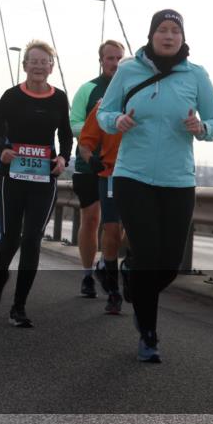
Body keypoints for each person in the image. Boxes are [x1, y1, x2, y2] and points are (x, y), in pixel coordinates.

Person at [98, 9, 213, 363]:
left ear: (182, 38)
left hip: (177, 179)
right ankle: (149, 335)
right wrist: (117, 120)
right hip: (132, 176)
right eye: (162, 30)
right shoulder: (128, 71)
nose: (169, 36)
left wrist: (202, 129)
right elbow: (104, 114)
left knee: (168, 264)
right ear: (152, 35)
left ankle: (132, 279)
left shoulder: (196, 75)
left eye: (175, 31)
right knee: (149, 256)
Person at [0, 40, 73, 328]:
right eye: (32, 61)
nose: (38, 66)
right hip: (13, 177)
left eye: (43, 61)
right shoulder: (11, 97)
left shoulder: (59, 98)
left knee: (32, 239)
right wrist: (3, 152)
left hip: (44, 178)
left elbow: (67, 136)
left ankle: (19, 307)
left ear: (51, 67)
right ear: (24, 66)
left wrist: (62, 158)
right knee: (10, 238)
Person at [69, 40, 126, 297]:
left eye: (118, 58)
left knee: (116, 225)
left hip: (118, 168)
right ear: (101, 60)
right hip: (88, 165)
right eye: (109, 58)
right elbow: (74, 123)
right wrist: (103, 125)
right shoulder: (88, 89)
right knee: (91, 219)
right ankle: (87, 275)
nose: (114, 63)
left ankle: (107, 262)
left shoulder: (129, 88)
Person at [79, 98, 125, 314]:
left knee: (136, 233)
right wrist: (90, 158)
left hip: (144, 177)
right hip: (111, 175)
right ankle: (114, 292)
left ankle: (108, 265)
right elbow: (85, 142)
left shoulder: (153, 100)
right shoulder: (105, 104)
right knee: (112, 231)